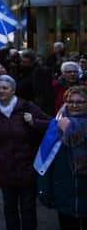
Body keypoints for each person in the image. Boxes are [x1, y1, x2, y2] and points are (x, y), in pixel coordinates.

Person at [0, 75, 50, 230]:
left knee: (28, 208)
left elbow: (50, 124)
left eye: (5, 88)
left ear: (13, 90)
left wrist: (34, 122)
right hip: (5, 169)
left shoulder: (27, 106)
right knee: (9, 208)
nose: (1, 91)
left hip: (27, 167)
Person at [36, 85, 87, 229]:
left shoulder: (64, 126)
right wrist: (46, 190)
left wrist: (69, 130)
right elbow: (45, 160)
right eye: (71, 102)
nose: (75, 105)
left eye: (80, 102)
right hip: (65, 191)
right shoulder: (56, 125)